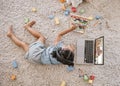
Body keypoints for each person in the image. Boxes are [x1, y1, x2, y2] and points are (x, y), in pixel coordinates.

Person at [7, 21, 77, 67]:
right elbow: (68, 59)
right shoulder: (62, 61)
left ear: (62, 49)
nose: (68, 45)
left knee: (42, 37)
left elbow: (60, 34)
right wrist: (70, 52)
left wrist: (71, 29)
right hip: (35, 60)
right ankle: (10, 35)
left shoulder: (57, 46)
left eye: (68, 46)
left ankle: (27, 27)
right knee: (23, 45)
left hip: (37, 52)